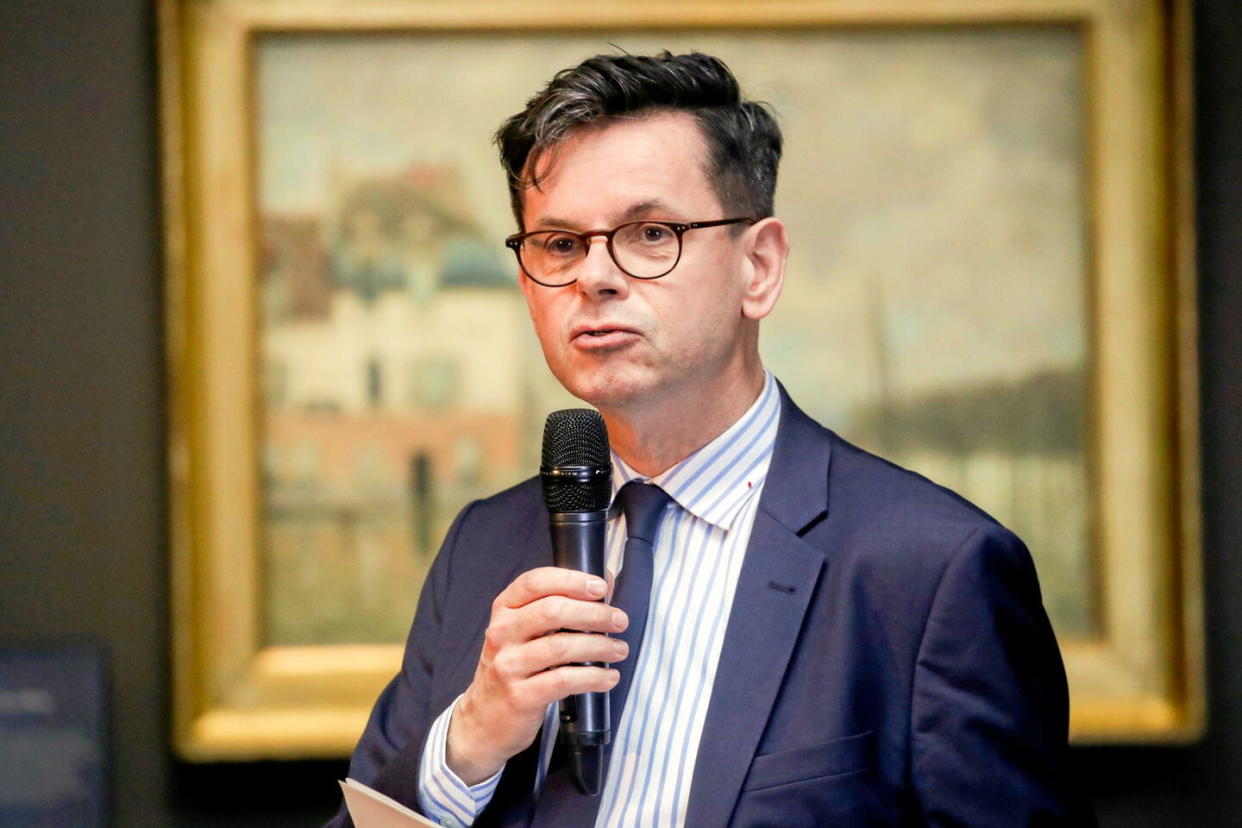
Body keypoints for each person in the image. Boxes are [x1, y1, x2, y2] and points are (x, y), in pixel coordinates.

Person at [327, 51, 1089, 826]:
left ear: (758, 266)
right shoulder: (484, 545)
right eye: (559, 244)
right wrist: (466, 746)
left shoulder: (931, 570)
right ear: (528, 284)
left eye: (650, 232)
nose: (595, 277)